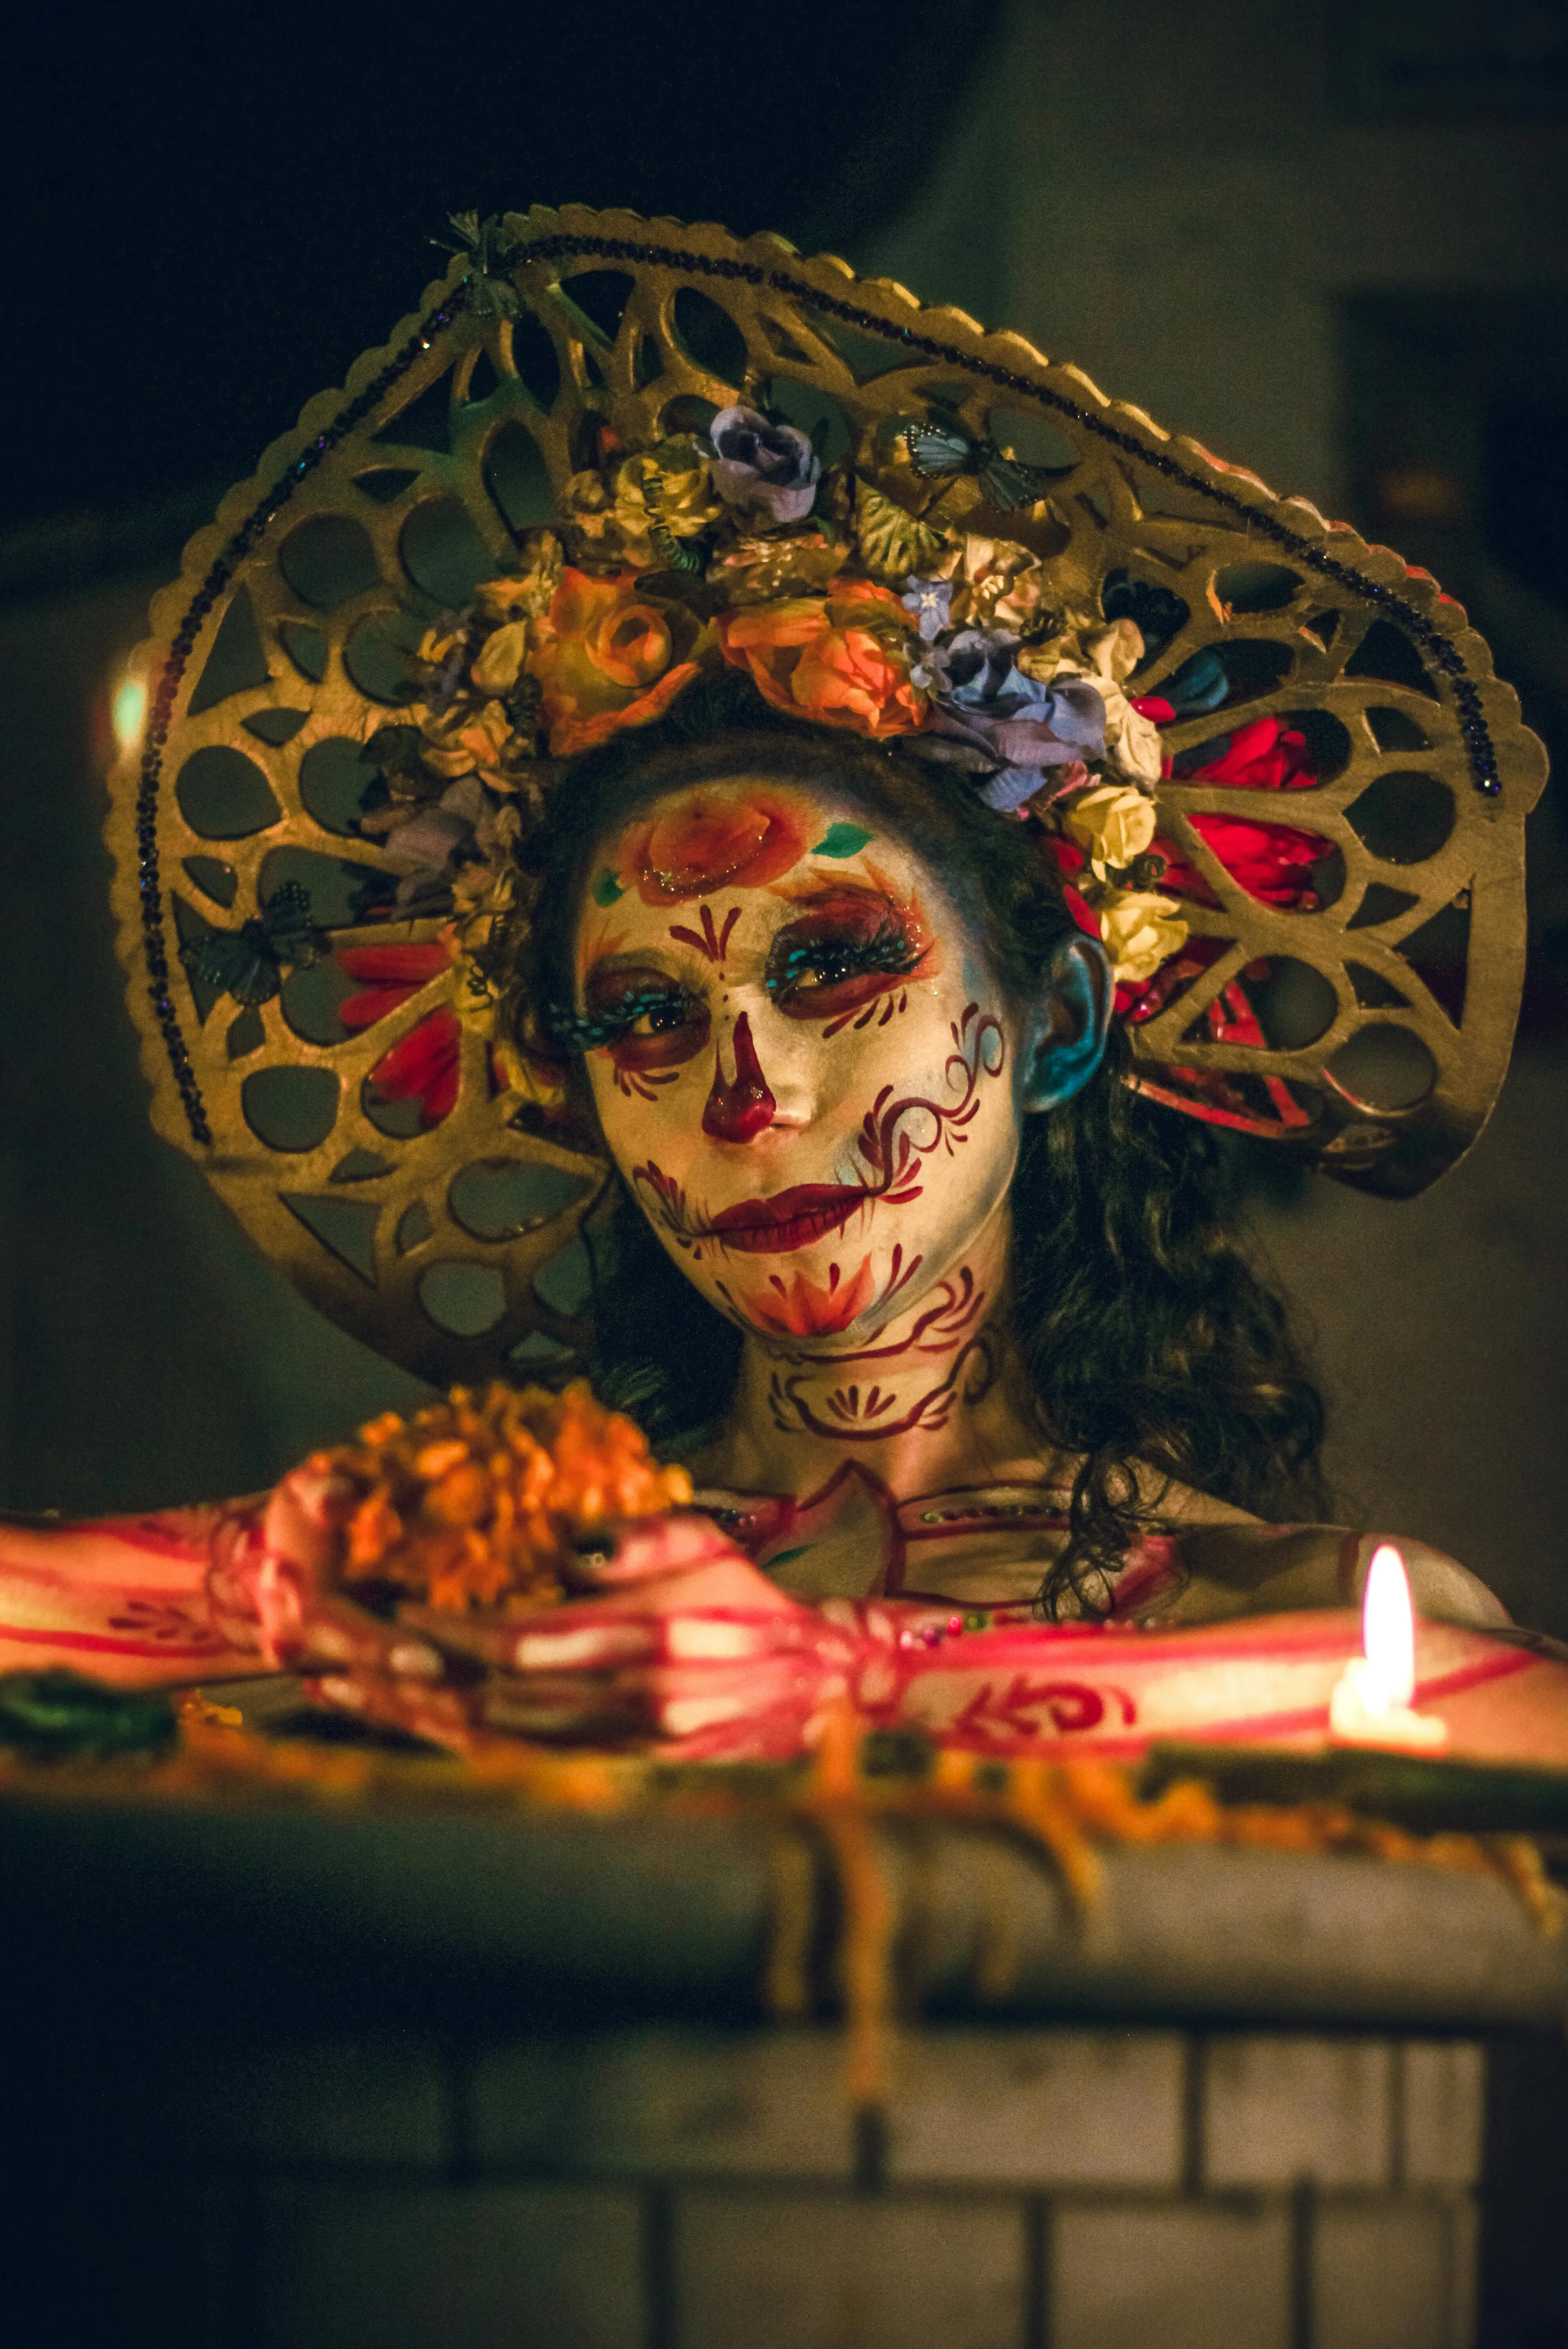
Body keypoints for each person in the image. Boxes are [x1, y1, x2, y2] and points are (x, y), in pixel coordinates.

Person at [0, 207, 1550, 1756]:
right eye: (645, 1017)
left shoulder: (1307, 1614)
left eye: (835, 965)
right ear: (574, 1090)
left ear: (1054, 1024)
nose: (748, 1093)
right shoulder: (491, 1588)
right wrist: (279, 1577)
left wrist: (838, 1682)